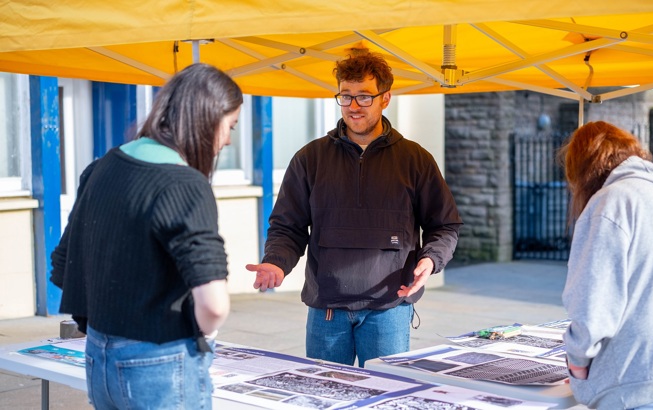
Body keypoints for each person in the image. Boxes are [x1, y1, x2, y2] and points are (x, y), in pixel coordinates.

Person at [245, 51, 462, 367]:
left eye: (364, 97)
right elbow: (287, 226)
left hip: (389, 308)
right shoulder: (310, 159)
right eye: (345, 97)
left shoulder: (415, 160)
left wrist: (430, 259)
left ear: (385, 98)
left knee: (387, 398)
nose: (354, 106)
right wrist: (276, 263)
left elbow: (445, 225)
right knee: (325, 397)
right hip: (327, 312)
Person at [50, 63, 242, 409]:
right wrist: (205, 338)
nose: (227, 140)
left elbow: (64, 265)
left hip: (97, 356)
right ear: (206, 118)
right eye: (230, 126)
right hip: (161, 359)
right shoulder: (185, 184)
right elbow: (214, 305)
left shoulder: (102, 166)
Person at [558, 121, 653, 409]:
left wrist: (577, 363)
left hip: (635, 381)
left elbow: (593, 304)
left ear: (583, 167)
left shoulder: (609, 203)